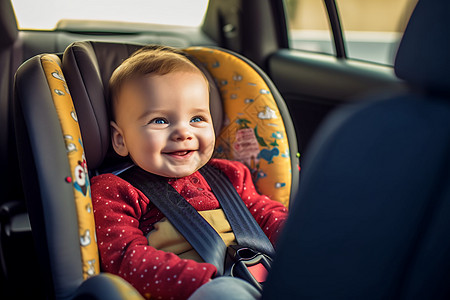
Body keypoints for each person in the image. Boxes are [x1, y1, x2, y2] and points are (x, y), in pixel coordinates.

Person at [91, 45, 288, 300]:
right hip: (193, 289)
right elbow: (125, 259)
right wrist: (206, 280)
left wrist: (297, 242)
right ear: (120, 139)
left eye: (197, 119)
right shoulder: (115, 190)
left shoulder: (229, 175)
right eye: (160, 120)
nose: (184, 132)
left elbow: (267, 215)